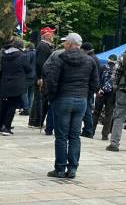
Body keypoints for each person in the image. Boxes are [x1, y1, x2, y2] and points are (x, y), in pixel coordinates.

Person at [43, 32, 99, 179]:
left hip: (63, 98)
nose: (64, 44)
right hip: (81, 99)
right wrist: (86, 96)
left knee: (61, 136)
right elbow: (95, 83)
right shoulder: (89, 60)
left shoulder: (60, 58)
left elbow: (52, 79)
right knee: (75, 135)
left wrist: (52, 97)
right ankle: (73, 168)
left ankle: (60, 168)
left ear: (69, 43)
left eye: (65, 42)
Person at [0, 38, 33, 136]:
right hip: (16, 84)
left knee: (2, 105)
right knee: (12, 106)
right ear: (21, 46)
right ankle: (6, 127)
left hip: (3, 83)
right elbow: (29, 69)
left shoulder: (3, 54)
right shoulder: (22, 56)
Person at [29, 27, 56, 129]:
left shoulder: (44, 45)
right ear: (47, 35)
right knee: (39, 99)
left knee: (39, 99)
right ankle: (36, 121)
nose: (53, 36)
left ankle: (35, 121)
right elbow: (41, 63)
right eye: (51, 34)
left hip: (42, 76)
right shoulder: (44, 46)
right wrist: (40, 77)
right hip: (41, 77)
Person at [93, 55, 117, 141]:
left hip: (100, 93)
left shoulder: (102, 67)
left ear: (108, 60)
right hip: (112, 95)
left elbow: (97, 79)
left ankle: (91, 131)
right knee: (109, 115)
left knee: (96, 113)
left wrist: (98, 90)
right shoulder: (117, 70)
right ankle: (105, 135)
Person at [80, 42, 97, 138]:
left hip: (87, 89)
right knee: (88, 110)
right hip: (90, 88)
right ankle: (88, 130)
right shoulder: (94, 58)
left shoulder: (90, 59)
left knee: (87, 111)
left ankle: (88, 130)